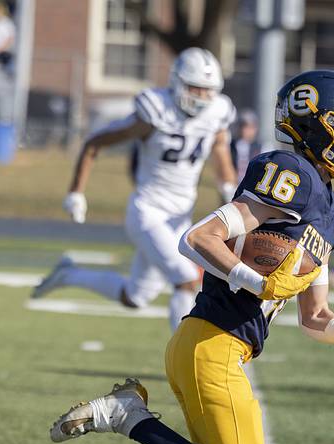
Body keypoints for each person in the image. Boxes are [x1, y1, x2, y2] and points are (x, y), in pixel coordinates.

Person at [49, 70, 334, 444]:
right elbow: (197, 238)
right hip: (211, 345)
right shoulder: (291, 175)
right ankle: (128, 415)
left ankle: (130, 413)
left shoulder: (333, 213)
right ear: (313, 124)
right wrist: (255, 281)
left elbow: (314, 318)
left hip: (223, 349)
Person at [31, 48, 238, 331]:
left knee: (135, 296)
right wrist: (75, 192)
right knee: (187, 280)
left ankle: (69, 275)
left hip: (180, 217)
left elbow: (220, 153)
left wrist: (230, 194)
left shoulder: (218, 113)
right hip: (147, 211)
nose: (201, 97)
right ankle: (186, 362)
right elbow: (94, 144)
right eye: (195, 88)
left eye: (207, 90)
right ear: (176, 82)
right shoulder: (154, 112)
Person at [229, 108, 262, 183]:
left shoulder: (263, 148)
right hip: (232, 186)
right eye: (242, 126)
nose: (245, 130)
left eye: (250, 127)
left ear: (255, 128)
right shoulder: (230, 146)